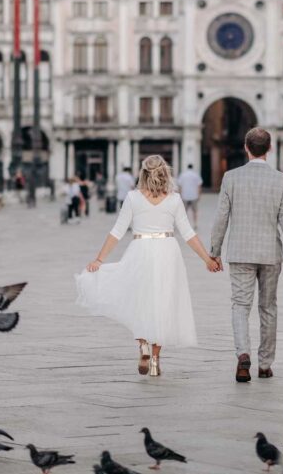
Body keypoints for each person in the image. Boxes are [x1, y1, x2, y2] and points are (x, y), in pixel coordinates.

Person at [76, 154, 219, 377]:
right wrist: (207, 259)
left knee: (140, 300)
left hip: (140, 249)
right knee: (163, 304)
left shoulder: (133, 198)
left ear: (142, 174)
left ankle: (142, 345)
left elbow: (117, 231)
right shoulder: (174, 199)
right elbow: (188, 234)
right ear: (166, 174)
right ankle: (154, 360)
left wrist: (99, 260)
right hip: (167, 251)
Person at [210, 126, 283, 383]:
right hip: (270, 254)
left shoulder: (231, 177)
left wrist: (214, 252)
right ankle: (265, 364)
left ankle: (243, 355)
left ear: (246, 148)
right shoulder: (281, 180)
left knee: (240, 306)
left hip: (240, 252)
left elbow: (221, 218)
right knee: (268, 308)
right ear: (270, 149)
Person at [177, 163, 203, 230]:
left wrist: (180, 194)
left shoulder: (183, 175)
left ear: (187, 167)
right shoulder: (196, 175)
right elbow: (199, 186)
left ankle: (184, 225)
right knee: (195, 211)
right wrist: (199, 195)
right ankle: (195, 224)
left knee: (184, 212)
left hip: (185, 196)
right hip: (194, 196)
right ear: (192, 167)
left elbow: (180, 186)